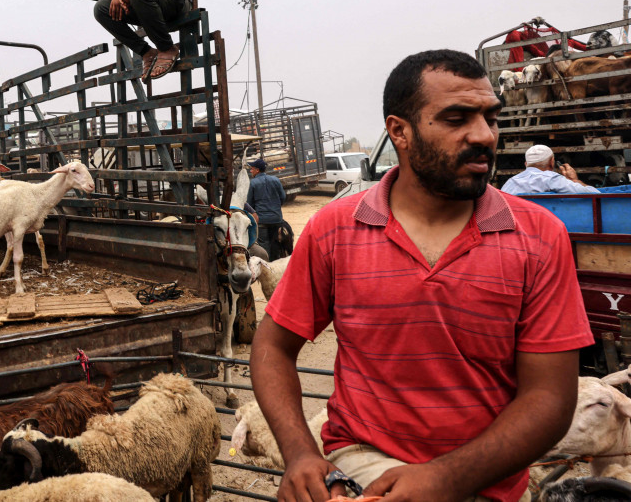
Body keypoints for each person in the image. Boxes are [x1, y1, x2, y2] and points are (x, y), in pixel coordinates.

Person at [250, 49, 593, 502]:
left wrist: (447, 477)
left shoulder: (540, 237)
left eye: (491, 117)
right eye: (457, 119)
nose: (484, 135)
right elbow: (273, 346)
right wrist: (299, 453)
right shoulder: (333, 229)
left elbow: (550, 398)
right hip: (359, 464)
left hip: (484, 481)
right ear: (400, 131)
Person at [500, 144, 600, 195]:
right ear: (552, 162)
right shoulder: (552, 179)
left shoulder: (510, 183)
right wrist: (574, 180)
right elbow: (595, 195)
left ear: (526, 164)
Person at [245, 158, 286, 259]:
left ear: (257, 170)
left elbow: (249, 203)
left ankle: (266, 266)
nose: (250, 171)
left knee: (264, 245)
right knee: (275, 243)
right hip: (277, 219)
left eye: (252, 169)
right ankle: (275, 265)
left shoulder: (253, 183)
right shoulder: (276, 180)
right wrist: (276, 208)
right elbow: (283, 197)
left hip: (261, 220)